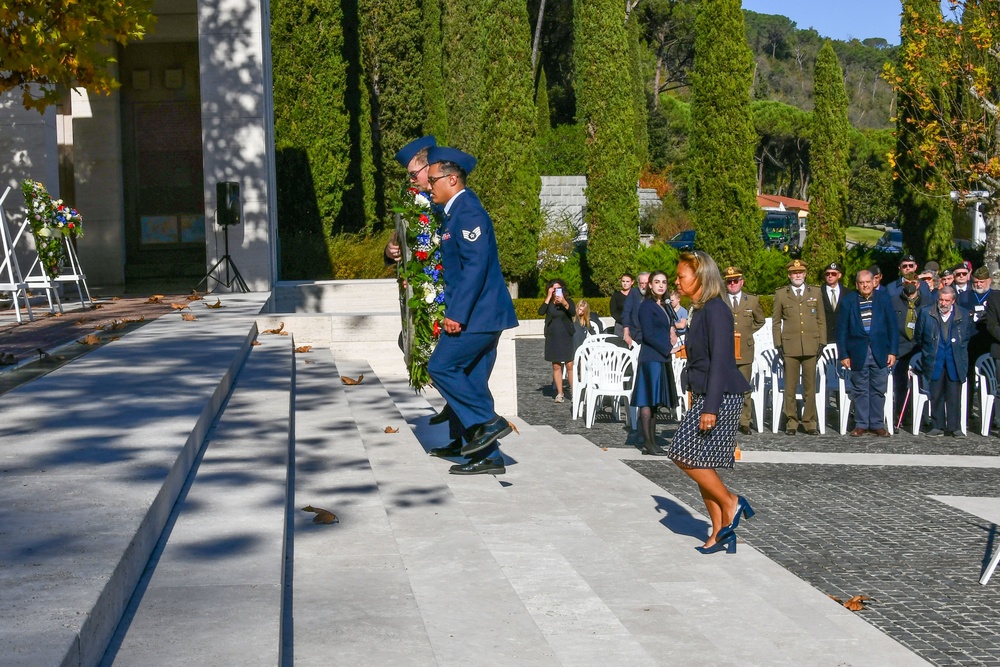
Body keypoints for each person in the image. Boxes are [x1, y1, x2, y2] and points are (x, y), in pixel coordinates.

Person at [424, 146, 518, 475]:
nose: (427, 185)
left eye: (432, 179)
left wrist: (457, 314)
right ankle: (485, 455)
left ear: (452, 179)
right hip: (481, 314)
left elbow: (475, 266)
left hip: (479, 315)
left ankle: (488, 422)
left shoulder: (469, 213)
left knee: (441, 366)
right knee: (473, 380)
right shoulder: (454, 211)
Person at [669, 251, 753, 555]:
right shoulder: (701, 309)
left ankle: (732, 503)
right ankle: (718, 532)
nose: (677, 281)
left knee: (682, 454)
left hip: (720, 397)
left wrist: (710, 408)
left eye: (681, 276)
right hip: (707, 395)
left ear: (701, 276)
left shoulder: (716, 309)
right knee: (698, 460)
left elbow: (721, 361)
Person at [836, 270, 898, 437]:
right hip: (857, 351)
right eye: (861, 283)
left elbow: (892, 326)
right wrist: (843, 354)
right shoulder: (848, 301)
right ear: (857, 285)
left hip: (880, 351)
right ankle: (861, 423)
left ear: (874, 283)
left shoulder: (884, 299)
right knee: (860, 389)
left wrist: (893, 351)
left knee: (878, 388)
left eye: (868, 282)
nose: (865, 285)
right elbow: (841, 330)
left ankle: (877, 423)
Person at [772, 259, 826, 435]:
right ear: (789, 275)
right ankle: (791, 422)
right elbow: (776, 321)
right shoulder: (781, 294)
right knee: (790, 387)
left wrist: (822, 342)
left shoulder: (815, 292)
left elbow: (821, 319)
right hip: (790, 346)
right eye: (795, 273)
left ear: (805, 274)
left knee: (810, 387)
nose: (798, 275)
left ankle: (810, 422)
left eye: (801, 272)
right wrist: (778, 344)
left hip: (811, 344)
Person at [914, 286, 972, 437]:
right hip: (934, 359)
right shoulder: (927, 313)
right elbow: (919, 336)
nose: (943, 303)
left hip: (955, 359)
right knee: (936, 393)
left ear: (953, 301)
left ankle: (955, 427)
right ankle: (937, 425)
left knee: (954, 395)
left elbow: (966, 337)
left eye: (947, 300)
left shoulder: (963, 314)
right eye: (941, 299)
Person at [633, 271, 679, 456]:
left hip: (661, 357)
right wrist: (668, 349)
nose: (661, 285)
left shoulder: (664, 305)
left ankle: (652, 442)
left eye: (664, 282)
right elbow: (648, 334)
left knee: (654, 402)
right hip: (651, 357)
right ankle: (647, 442)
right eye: (657, 282)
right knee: (647, 400)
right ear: (650, 285)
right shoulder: (647, 306)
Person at [723, 266, 765, 435]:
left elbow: (760, 320)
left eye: (735, 281)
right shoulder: (720, 299)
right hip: (725, 349)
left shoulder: (752, 301)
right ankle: (726, 419)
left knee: (744, 387)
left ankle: (744, 421)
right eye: (729, 281)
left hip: (745, 349)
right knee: (724, 387)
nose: (732, 284)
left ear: (742, 282)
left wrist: (746, 333)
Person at [891, 271, 923, 421]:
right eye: (907, 283)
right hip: (900, 349)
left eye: (913, 283)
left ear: (918, 284)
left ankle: (919, 415)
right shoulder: (893, 301)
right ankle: (901, 414)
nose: (910, 286)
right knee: (900, 384)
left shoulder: (928, 302)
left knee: (920, 384)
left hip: (919, 349)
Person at [538, 279, 576, 403]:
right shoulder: (549, 302)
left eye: (558, 289)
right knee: (556, 365)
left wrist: (564, 302)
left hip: (566, 335)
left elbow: (572, 312)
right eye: (553, 289)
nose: (556, 291)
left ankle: (574, 392)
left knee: (569, 364)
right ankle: (560, 393)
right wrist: (548, 297)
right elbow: (541, 312)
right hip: (553, 336)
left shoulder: (568, 301)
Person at [821, 262, 847, 343]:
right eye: (827, 273)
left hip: (843, 338)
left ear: (839, 275)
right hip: (825, 338)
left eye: (833, 273)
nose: (830, 276)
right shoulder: (818, 293)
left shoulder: (848, 293)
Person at [622, 272, 650, 347]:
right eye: (642, 283)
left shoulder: (654, 294)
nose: (644, 286)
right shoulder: (634, 292)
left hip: (650, 332)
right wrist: (626, 332)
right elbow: (626, 312)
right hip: (636, 333)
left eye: (646, 283)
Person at [610, 274, 634, 338]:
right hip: (620, 326)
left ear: (632, 282)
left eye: (627, 281)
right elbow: (613, 311)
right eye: (623, 281)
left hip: (635, 326)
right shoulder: (616, 295)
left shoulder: (636, 295)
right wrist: (624, 321)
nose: (625, 283)